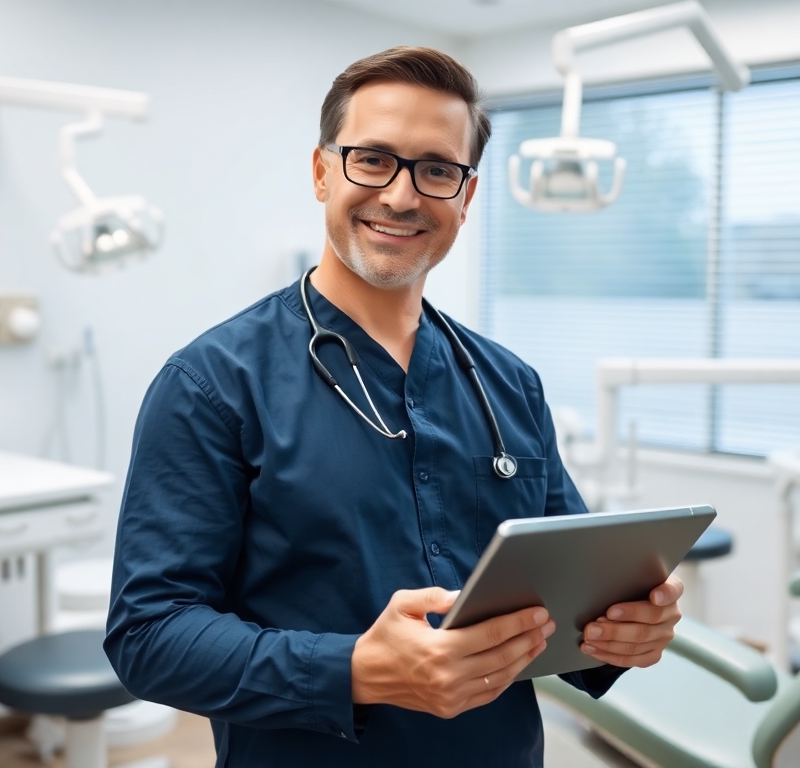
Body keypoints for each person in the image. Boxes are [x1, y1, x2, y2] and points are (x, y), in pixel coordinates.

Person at [105, 46, 685, 768]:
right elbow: (149, 636)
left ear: (466, 199)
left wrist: (622, 634)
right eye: (373, 159)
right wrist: (353, 670)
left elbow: (568, 602)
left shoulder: (510, 385)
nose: (404, 196)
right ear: (322, 172)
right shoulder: (211, 384)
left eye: (437, 169)